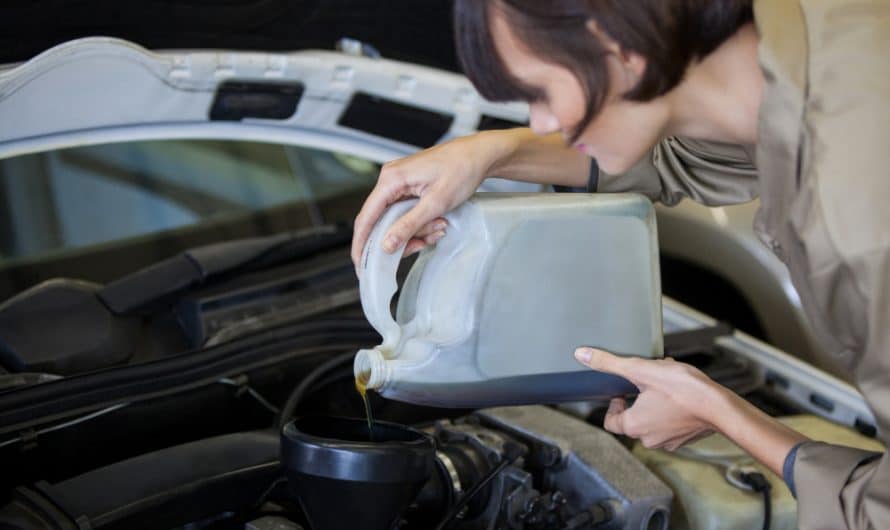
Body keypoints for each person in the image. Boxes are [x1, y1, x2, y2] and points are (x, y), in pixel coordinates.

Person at [350, 1, 890, 528]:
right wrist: (488, 153)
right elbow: (678, 152)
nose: (539, 121)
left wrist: (723, 414)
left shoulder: (857, 224)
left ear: (617, 44)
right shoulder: (816, 32)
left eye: (538, 93)